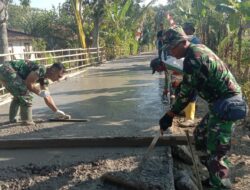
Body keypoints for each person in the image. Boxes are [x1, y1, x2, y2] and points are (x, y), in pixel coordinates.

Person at [157, 26, 248, 189]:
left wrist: (170, 115)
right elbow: (189, 85)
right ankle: (214, 178)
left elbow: (187, 92)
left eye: (171, 48)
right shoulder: (197, 49)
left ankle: (219, 184)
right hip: (219, 104)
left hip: (228, 104)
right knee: (200, 136)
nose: (170, 53)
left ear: (182, 42)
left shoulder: (193, 58)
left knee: (216, 148)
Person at [0, 60, 71, 124]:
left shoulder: (44, 80)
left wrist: (56, 111)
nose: (58, 80)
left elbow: (47, 96)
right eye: (59, 76)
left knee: (19, 95)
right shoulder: (41, 69)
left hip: (6, 70)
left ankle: (13, 119)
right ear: (53, 70)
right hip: (7, 69)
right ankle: (26, 121)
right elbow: (29, 84)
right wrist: (39, 92)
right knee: (25, 93)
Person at [178, 22, 201, 127]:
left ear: (191, 30)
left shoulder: (195, 41)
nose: (185, 31)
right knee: (185, 90)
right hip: (189, 68)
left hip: (196, 70)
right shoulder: (188, 40)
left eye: (186, 29)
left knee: (192, 93)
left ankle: (190, 119)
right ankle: (186, 112)